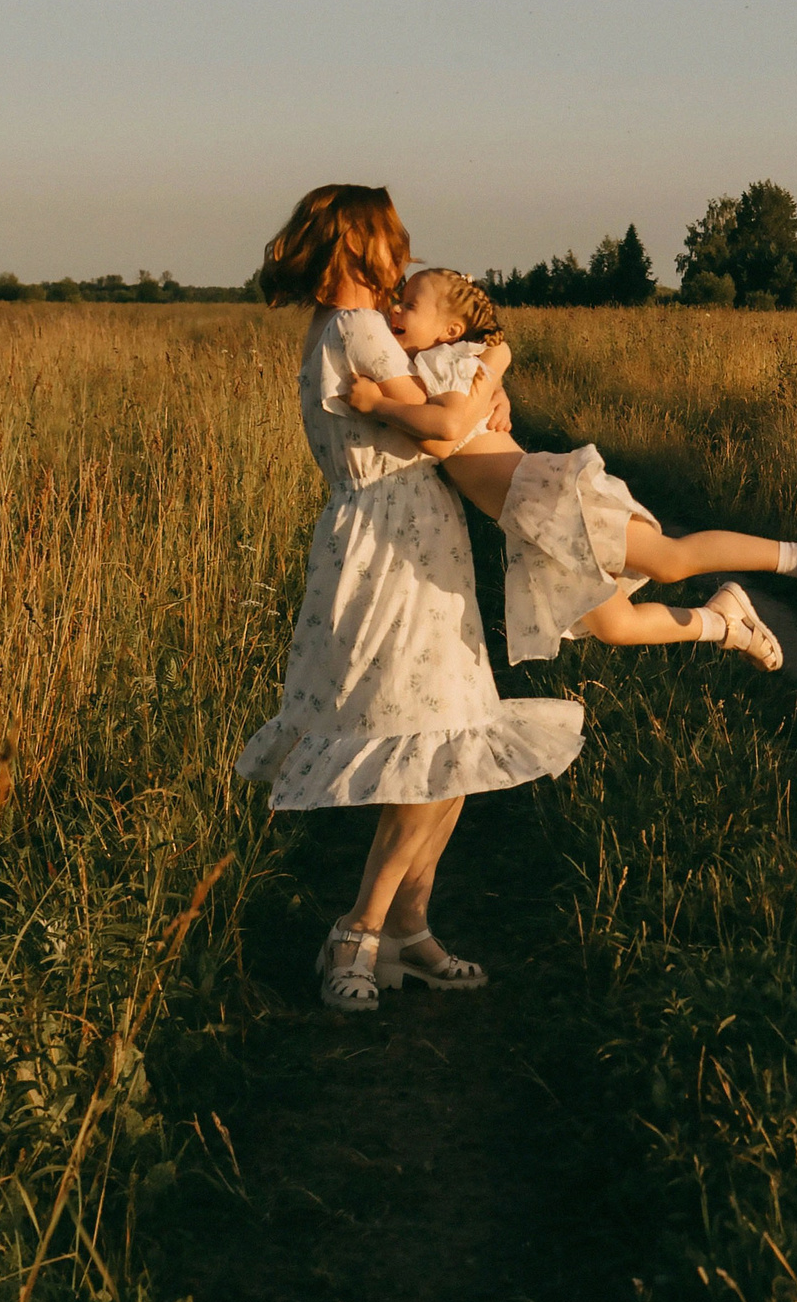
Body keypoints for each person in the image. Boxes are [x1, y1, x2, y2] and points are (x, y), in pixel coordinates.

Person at [234, 190, 583, 1013]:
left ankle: (411, 937)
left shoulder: (339, 330)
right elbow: (433, 431)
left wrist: (475, 402)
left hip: (396, 534)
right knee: (424, 744)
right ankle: (357, 934)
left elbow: (437, 416)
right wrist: (492, 372)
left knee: (446, 742)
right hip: (396, 543)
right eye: (392, 241)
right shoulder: (355, 330)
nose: (405, 252)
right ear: (357, 248)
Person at [347, 268, 797, 671]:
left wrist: (378, 406)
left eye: (408, 305)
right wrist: (492, 383)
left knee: (670, 560)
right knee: (616, 627)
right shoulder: (439, 366)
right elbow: (469, 397)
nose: (395, 309)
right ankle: (723, 621)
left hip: (545, 498)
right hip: (527, 525)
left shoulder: (444, 365)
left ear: (450, 329)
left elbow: (446, 424)